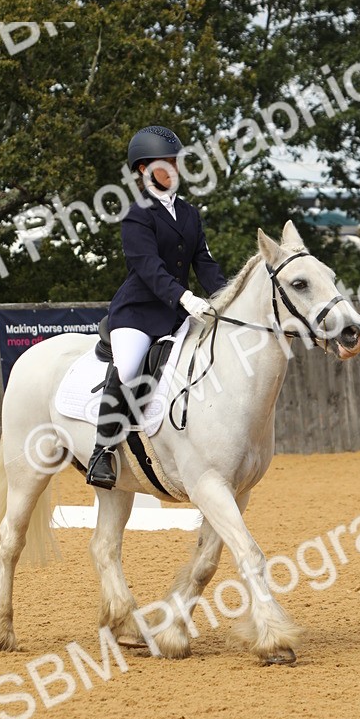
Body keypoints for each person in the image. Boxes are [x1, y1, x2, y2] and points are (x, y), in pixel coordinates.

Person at [86, 124, 228, 489]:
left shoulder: (190, 214)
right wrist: (184, 296)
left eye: (175, 162)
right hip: (138, 312)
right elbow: (149, 268)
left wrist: (226, 299)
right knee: (130, 366)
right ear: (142, 171)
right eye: (162, 164)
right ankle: (101, 452)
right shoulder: (137, 215)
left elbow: (206, 264)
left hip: (177, 314)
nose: (172, 169)